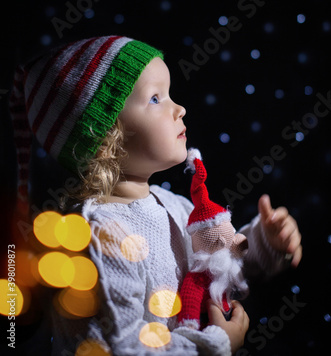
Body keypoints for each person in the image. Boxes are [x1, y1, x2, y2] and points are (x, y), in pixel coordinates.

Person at [9, 35, 302, 355]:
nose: (179, 108)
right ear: (107, 138)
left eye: (169, 95)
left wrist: (264, 244)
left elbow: (217, 264)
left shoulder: (176, 207)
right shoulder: (101, 234)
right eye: (155, 98)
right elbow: (125, 347)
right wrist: (214, 345)